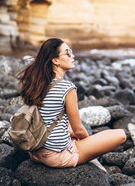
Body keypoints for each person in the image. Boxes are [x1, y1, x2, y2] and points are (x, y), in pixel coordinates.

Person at [17, 38, 126, 170]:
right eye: (68, 52)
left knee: (67, 126)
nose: (72, 55)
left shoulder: (37, 84)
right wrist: (87, 143)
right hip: (57, 156)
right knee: (121, 135)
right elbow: (78, 129)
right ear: (55, 60)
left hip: (35, 152)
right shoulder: (67, 88)